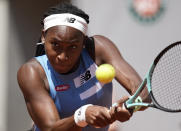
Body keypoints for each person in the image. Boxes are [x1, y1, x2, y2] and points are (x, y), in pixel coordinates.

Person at [17, 3, 148, 131]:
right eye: (55, 45)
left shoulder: (99, 49)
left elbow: (143, 94)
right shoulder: (31, 72)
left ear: (83, 42)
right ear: (43, 36)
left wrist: (129, 107)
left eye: (72, 47)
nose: (63, 56)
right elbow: (50, 127)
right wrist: (82, 115)